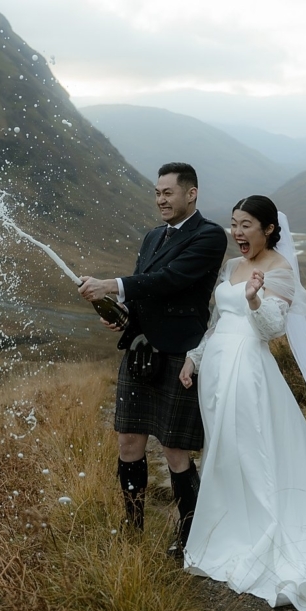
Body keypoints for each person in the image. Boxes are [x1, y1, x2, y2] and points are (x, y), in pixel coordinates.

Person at [178, 195, 306, 611]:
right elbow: (218, 322)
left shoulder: (280, 270)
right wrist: (194, 357)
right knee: (223, 449)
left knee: (248, 449)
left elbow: (271, 329)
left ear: (268, 229)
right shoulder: (233, 267)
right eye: (234, 224)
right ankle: (229, 521)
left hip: (248, 370)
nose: (237, 233)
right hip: (215, 370)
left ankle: (260, 532)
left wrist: (254, 299)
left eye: (246, 225)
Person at [78, 162, 228, 555]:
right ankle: (133, 526)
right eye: (158, 193)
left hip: (180, 354)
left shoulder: (209, 236)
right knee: (128, 442)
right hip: (141, 349)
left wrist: (111, 284)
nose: (160, 199)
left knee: (175, 449)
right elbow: (146, 291)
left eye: (168, 192)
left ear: (191, 193)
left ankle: (188, 536)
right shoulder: (152, 236)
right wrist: (127, 320)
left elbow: (172, 281)